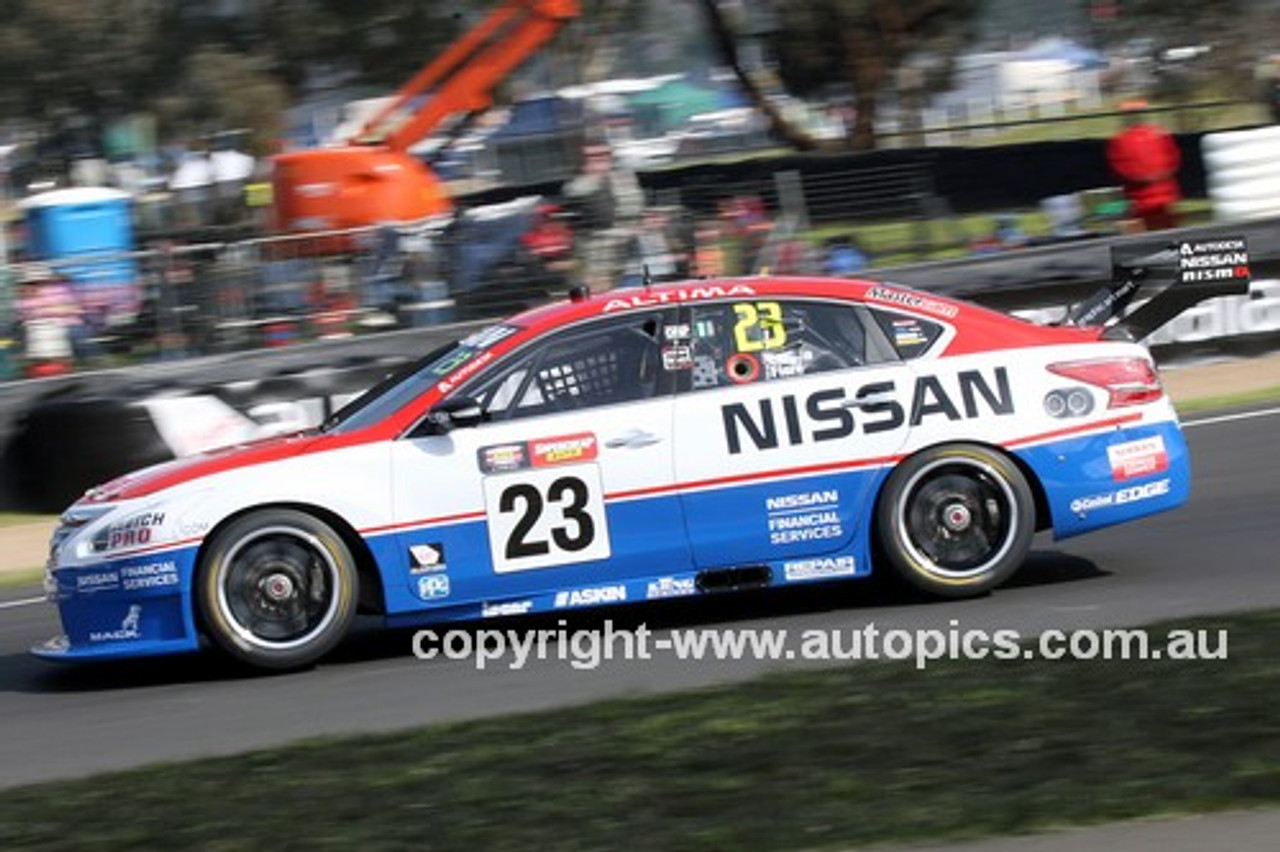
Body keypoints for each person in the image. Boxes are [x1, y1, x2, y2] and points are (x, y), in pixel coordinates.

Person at [1106, 100, 1182, 231]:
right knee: (1169, 232)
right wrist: (1160, 176)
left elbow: (1119, 168)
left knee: (1145, 237)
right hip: (1160, 195)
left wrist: (1145, 179)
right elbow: (1174, 160)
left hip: (1142, 198)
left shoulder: (1120, 140)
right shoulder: (1159, 134)